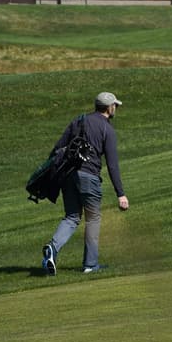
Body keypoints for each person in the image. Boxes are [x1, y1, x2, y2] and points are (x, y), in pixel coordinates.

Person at [40, 92, 130, 275]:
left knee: (72, 217)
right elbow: (112, 165)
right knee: (93, 219)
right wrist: (121, 193)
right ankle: (90, 265)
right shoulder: (107, 130)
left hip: (68, 176)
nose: (116, 108)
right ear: (109, 108)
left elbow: (57, 148)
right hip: (89, 177)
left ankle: (53, 248)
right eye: (115, 105)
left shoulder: (79, 121)